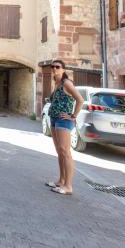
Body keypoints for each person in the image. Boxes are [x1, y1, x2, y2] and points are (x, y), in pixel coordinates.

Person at [45, 59, 84, 196]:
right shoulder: (57, 83)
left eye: (57, 67)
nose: (54, 69)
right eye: (52, 67)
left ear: (63, 69)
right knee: (59, 151)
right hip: (54, 119)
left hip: (63, 120)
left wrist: (73, 116)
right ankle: (61, 181)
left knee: (65, 152)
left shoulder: (67, 83)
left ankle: (68, 186)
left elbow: (80, 99)